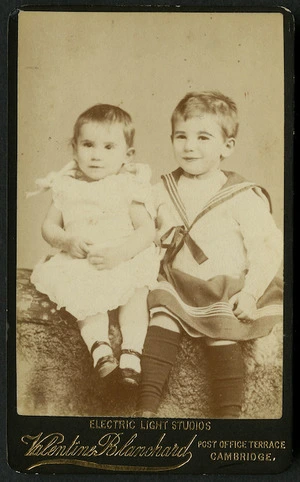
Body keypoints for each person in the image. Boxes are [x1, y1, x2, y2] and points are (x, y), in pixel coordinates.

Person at [136, 91, 283, 418]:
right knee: (161, 315)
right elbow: (139, 228)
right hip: (175, 281)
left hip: (222, 288)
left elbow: (267, 245)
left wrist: (250, 292)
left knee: (222, 334)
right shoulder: (161, 189)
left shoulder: (242, 194)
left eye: (203, 137)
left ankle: (228, 418)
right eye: (181, 136)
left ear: (226, 147)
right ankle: (145, 410)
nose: (190, 146)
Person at [29, 103, 160, 386]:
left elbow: (147, 229)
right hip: (83, 260)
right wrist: (66, 240)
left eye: (108, 147)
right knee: (82, 293)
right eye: (88, 145)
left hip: (122, 257)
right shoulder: (66, 187)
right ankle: (100, 351)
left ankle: (131, 354)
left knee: (137, 294)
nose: (96, 155)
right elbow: (48, 226)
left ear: (128, 155)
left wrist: (121, 254)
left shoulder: (128, 185)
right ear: (74, 148)